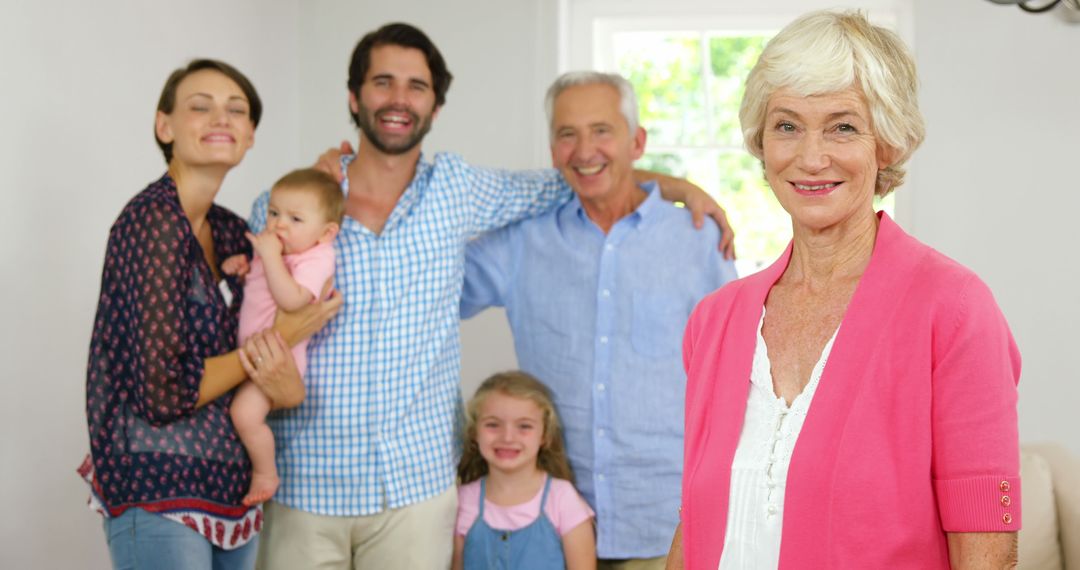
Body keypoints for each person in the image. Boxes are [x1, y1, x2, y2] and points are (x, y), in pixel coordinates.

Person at [254, 23, 733, 569]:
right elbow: (267, 316)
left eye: (417, 86)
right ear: (353, 97)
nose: (398, 99)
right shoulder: (293, 208)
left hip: (643, 512)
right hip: (342, 487)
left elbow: (740, 374)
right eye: (382, 82)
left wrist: (672, 186)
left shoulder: (697, 242)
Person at [668, 10, 1021, 569]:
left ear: (888, 144)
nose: (811, 157)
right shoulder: (715, 321)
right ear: (762, 143)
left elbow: (984, 545)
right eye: (787, 126)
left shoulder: (952, 310)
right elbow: (696, 522)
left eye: (843, 126)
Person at [461, 71, 737, 570]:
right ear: (552, 150)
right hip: (549, 528)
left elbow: (739, 375)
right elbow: (428, 293)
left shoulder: (698, 242)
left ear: (637, 141)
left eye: (601, 131)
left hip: (665, 523)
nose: (584, 149)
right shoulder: (520, 244)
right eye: (568, 134)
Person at [79, 60, 341, 570]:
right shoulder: (153, 222)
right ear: (165, 127)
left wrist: (282, 369)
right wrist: (279, 337)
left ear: (249, 137)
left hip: (231, 493)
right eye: (200, 106)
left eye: (236, 111)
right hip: (159, 488)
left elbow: (285, 390)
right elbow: (163, 393)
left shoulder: (230, 230)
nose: (221, 118)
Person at [222, 168, 343, 507]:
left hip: (278, 360)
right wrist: (244, 267)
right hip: (252, 353)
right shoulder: (277, 251)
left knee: (244, 416)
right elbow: (261, 287)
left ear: (326, 232)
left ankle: (265, 472)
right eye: (274, 213)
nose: (278, 224)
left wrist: (270, 257)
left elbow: (293, 300)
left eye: (295, 218)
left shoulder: (317, 257)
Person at [453, 371, 597, 570]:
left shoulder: (562, 499)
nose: (508, 437)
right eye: (493, 425)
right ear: (474, 432)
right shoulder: (464, 501)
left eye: (524, 426)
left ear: (544, 435)